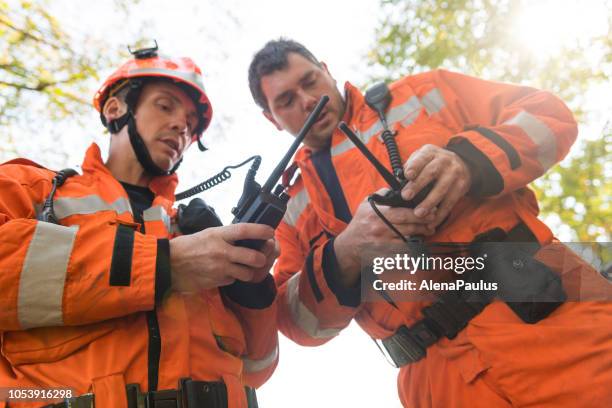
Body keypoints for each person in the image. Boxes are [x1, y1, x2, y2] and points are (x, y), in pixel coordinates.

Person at [248, 38, 612, 407]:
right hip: (437, 385)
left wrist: (469, 161)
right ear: (271, 118)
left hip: (563, 323)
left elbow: (549, 115)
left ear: (326, 70)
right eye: (286, 101)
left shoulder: (423, 93)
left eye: (310, 81)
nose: (307, 100)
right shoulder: (289, 208)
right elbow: (296, 320)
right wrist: (345, 253)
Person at [0, 45, 278, 408]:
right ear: (116, 108)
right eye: (165, 106)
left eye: (192, 124)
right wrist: (164, 264)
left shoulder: (196, 237)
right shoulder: (31, 188)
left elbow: (258, 368)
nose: (182, 126)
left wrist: (251, 291)